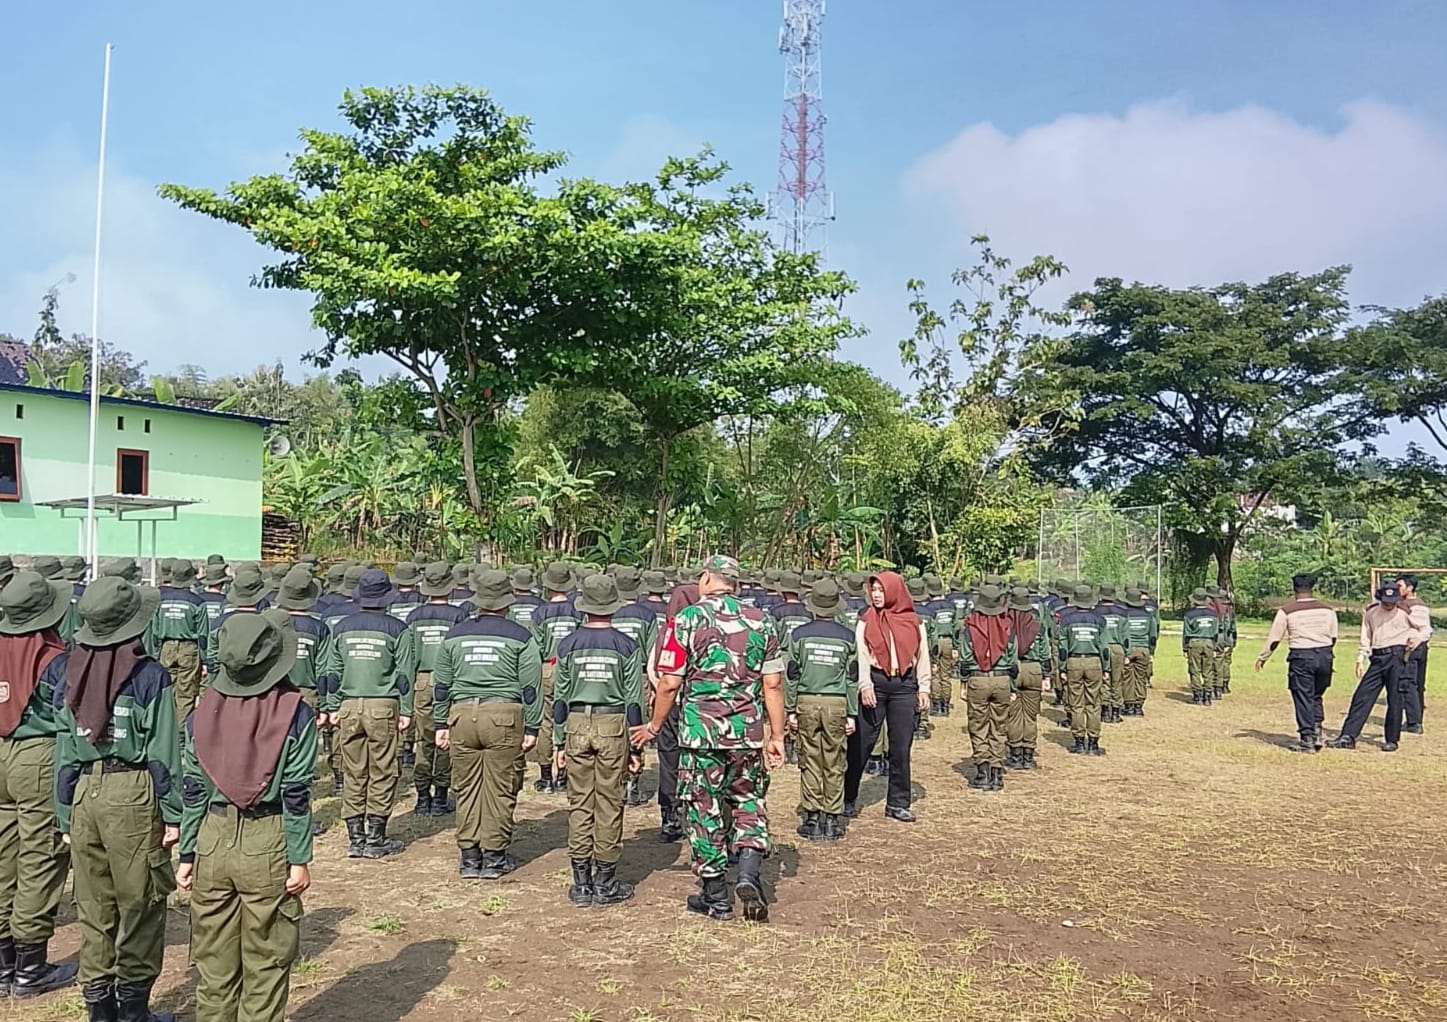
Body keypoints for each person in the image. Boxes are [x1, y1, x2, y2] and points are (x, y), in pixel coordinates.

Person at [50, 576, 180, 1022]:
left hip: (85, 791)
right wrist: (175, 815)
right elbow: (164, 754)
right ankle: (133, 1010)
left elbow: (65, 751)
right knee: (141, 902)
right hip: (134, 793)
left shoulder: (70, 671)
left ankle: (99, 1008)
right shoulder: (150, 676)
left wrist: (65, 815)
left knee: (94, 904)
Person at [175, 611, 316, 1022]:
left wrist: (187, 853)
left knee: (213, 968)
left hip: (210, 838)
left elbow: (193, 788)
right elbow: (295, 792)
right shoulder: (295, 713)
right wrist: (298, 857)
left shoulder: (201, 712)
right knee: (267, 965)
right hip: (268, 839)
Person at [630, 555, 783, 922]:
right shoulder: (762, 621)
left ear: (705, 579)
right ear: (736, 585)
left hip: (701, 734)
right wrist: (776, 735)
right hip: (747, 733)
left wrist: (653, 726)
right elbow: (773, 683)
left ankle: (715, 896)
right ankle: (747, 874)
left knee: (703, 809)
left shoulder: (686, 619)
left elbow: (669, 682)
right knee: (748, 801)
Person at [433, 570, 543, 880]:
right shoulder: (521, 636)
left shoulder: (454, 635)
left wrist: (441, 722)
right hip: (504, 717)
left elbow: (441, 683)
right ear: (507, 602)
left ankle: (469, 857)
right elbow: (531, 686)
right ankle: (494, 857)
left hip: (461, 715)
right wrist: (532, 727)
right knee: (500, 787)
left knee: (466, 787)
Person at [0, 572, 79, 998]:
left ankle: (3, 964)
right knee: (40, 857)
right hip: (38, 755)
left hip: (0, 751)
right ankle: (30, 968)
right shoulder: (53, 658)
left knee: (2, 856)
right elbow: (68, 719)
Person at [552, 575, 643, 908]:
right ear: (614, 606)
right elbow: (634, 700)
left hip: (576, 724)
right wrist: (636, 746)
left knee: (579, 803)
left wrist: (559, 743)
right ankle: (605, 882)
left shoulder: (567, 644)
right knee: (609, 802)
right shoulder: (627, 645)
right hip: (613, 724)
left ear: (584, 606)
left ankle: (581, 884)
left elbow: (560, 698)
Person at [319, 569, 416, 859]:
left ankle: (355, 838)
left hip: (348, 706)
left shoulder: (342, 627)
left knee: (354, 771)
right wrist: (407, 710)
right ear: (387, 598)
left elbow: (332, 671)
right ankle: (375, 837)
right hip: (383, 706)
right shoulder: (398, 629)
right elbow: (404, 674)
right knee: (383, 770)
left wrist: (332, 705)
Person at [844, 572, 932, 823]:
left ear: (894, 591)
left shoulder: (915, 622)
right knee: (861, 743)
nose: (877, 595)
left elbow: (923, 655)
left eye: (881, 590)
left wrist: (923, 687)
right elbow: (860, 654)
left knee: (901, 747)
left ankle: (897, 802)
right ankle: (848, 797)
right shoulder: (866, 620)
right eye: (874, 590)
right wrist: (865, 684)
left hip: (904, 686)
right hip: (876, 683)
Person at [785, 579, 857, 842]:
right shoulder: (848, 637)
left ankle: (812, 817)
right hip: (836, 704)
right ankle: (832, 819)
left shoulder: (799, 635)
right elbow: (852, 678)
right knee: (835, 761)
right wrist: (852, 713)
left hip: (805, 701)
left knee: (809, 759)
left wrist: (790, 709)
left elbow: (792, 675)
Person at [1328, 583, 1428, 752]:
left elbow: (1425, 629)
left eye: (1392, 601)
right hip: (1378, 657)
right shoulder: (1371, 612)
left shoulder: (1405, 611)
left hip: (1397, 656)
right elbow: (1366, 636)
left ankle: (1391, 739)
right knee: (1362, 696)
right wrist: (1361, 657)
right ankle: (1348, 736)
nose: (1389, 605)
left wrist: (1415, 640)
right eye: (1386, 601)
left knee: (1395, 699)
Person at [404, 563, 470, 816]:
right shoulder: (458, 615)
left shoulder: (414, 616)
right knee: (445, 738)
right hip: (449, 681)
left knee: (424, 738)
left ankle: (422, 796)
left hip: (421, 681)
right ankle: (441, 795)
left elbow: (409, 654)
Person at [1256, 573, 1338, 753]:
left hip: (1302, 656)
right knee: (1316, 695)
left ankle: (1307, 738)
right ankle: (1317, 731)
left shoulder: (1287, 611)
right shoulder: (1327, 609)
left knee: (1303, 696)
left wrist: (1263, 657)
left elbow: (1275, 639)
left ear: (1294, 590)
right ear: (1312, 589)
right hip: (1325, 655)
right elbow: (1333, 636)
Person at [956, 584, 1018, 792]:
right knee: (999, 727)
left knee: (978, 725)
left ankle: (983, 772)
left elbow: (964, 659)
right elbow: (1012, 660)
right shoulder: (1008, 627)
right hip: (1002, 680)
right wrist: (1012, 688)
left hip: (978, 680)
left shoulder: (969, 627)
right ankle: (997, 773)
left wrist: (963, 683)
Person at [530, 563, 582, 794]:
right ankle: (564, 774)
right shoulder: (577, 611)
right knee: (570, 718)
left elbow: (536, 646)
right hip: (572, 667)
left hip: (547, 667)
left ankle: (545, 777)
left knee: (545, 720)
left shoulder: (539, 613)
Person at [153, 561, 209, 730]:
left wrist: (156, 654)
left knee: (165, 690)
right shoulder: (197, 602)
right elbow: (203, 635)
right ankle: (180, 733)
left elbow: (155, 631)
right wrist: (204, 660)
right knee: (186, 693)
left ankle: (164, 729)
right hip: (189, 649)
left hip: (166, 647)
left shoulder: (160, 600)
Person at [1056, 584, 1109, 756]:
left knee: (1076, 703)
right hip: (1094, 662)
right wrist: (1106, 668)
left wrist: (1062, 668)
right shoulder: (1100, 620)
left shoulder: (1066, 620)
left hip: (1073, 662)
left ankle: (1079, 742)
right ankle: (1093, 743)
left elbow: (1062, 647)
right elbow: (1104, 647)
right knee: (1094, 703)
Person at [1005, 585, 1051, 771]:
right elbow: (1045, 651)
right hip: (1034, 669)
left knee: (1014, 715)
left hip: (1013, 668)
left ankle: (1015, 755)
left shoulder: (1005, 623)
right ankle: (1028, 755)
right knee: (1030, 716)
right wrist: (1046, 676)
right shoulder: (1037, 623)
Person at [205, 565, 270, 678]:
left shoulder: (219, 622)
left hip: (224, 678)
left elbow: (212, 654)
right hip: (258, 679)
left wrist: (213, 678)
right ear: (260, 595)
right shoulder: (268, 622)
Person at [1395, 574, 1432, 733]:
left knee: (1408, 682)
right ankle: (1416, 718)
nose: (1397, 589)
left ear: (1409, 588)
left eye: (1400, 586)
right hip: (1422, 646)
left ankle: (1413, 722)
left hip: (1412, 646)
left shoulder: (1410, 606)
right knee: (1417, 684)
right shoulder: (1420, 604)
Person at [923, 575, 958, 718]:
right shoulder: (951, 606)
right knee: (946, 675)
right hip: (949, 641)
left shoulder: (928, 609)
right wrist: (956, 646)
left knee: (935, 674)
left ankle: (936, 705)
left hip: (936, 642)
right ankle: (946, 705)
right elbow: (955, 627)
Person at [1119, 587, 1157, 717]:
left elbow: (1122, 634)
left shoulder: (1124, 614)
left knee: (1127, 678)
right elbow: (1153, 635)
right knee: (1140, 678)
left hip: (1129, 648)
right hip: (1143, 649)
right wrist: (1151, 651)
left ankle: (1129, 705)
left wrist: (1125, 650)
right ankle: (1139, 706)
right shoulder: (1148, 615)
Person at [1093, 584, 1128, 724]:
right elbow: (1126, 636)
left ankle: (1104, 710)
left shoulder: (1095, 611)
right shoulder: (1122, 612)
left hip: (1103, 648)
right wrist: (1127, 652)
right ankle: (1115, 712)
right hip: (1118, 648)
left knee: (1104, 679)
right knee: (1117, 680)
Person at [1182, 589, 1222, 705]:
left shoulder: (1189, 614)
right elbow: (1216, 632)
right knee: (1208, 670)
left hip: (1194, 642)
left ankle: (1197, 695)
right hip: (1209, 643)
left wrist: (1185, 648)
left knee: (1194, 670)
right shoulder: (1213, 614)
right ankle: (1208, 696)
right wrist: (1215, 647)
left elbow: (1186, 633)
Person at [1208, 585, 1239, 696]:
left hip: (1218, 637)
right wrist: (1233, 640)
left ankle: (1215, 687)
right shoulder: (1228, 608)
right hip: (1227, 636)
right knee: (1225, 662)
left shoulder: (1212, 607)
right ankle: (1223, 685)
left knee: (1215, 663)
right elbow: (1232, 625)